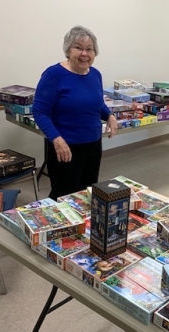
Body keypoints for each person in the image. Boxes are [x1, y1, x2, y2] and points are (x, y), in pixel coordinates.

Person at [32, 25, 117, 200]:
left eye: (89, 49)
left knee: (87, 193)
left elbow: (97, 104)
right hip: (65, 147)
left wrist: (109, 115)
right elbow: (39, 111)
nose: (84, 53)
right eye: (78, 48)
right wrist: (56, 139)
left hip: (93, 144)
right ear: (68, 50)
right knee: (63, 196)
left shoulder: (95, 75)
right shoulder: (53, 75)